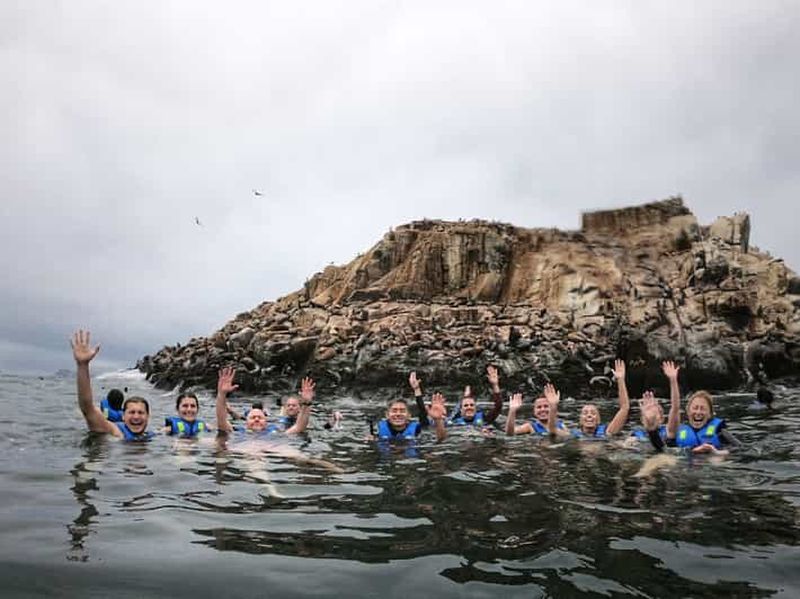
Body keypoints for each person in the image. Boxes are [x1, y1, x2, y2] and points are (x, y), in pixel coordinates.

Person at [71, 330, 153, 442]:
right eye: (132, 412)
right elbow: (87, 408)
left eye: (141, 412)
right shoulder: (114, 431)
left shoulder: (152, 436)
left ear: (148, 416)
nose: (136, 417)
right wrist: (82, 365)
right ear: (123, 416)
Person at [663, 361, 738, 454]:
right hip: (684, 465)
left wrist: (716, 453)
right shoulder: (676, 431)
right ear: (688, 411)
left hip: (710, 464)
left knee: (716, 461)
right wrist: (673, 380)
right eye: (695, 408)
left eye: (703, 409)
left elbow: (740, 450)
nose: (698, 412)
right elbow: (675, 407)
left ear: (710, 414)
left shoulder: (720, 432)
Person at [215, 367, 314, 436]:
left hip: (272, 450)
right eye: (253, 417)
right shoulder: (239, 432)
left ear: (266, 422)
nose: (257, 419)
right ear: (246, 422)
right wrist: (221, 394)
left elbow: (299, 427)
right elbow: (222, 421)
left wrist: (307, 403)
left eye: (260, 417)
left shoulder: (274, 432)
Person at [547, 359, 630, 439]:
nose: (589, 415)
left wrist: (621, 380)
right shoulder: (573, 435)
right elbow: (552, 429)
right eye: (585, 413)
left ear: (598, 420)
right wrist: (553, 407)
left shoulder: (607, 432)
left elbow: (624, 408)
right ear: (580, 420)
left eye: (593, 413)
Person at [375, 372, 446, 442]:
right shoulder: (376, 431)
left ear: (409, 416)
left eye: (402, 411)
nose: (398, 414)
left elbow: (440, 439)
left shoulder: (417, 430)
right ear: (387, 415)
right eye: (394, 411)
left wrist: (438, 420)